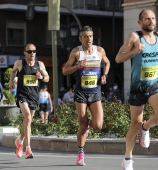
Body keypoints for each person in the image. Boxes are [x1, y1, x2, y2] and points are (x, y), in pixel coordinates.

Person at [115, 9, 158, 170]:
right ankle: (127, 158)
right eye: (147, 19)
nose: (151, 21)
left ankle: (146, 128)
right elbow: (118, 58)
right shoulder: (135, 37)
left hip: (154, 85)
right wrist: (135, 50)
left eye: (153, 18)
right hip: (138, 87)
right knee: (135, 124)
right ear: (140, 22)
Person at [62, 26, 110, 166]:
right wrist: (77, 66)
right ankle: (81, 153)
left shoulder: (99, 51)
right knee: (82, 124)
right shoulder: (76, 52)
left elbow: (107, 63)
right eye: (85, 36)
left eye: (90, 36)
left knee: (98, 126)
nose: (88, 39)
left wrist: (104, 75)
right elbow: (65, 71)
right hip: (81, 93)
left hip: (95, 92)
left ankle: (88, 127)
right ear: (80, 38)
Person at [9, 43, 49, 159]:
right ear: (25, 53)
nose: (32, 53)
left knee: (28, 121)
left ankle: (20, 141)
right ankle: (28, 149)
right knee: (28, 117)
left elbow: (47, 77)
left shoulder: (40, 64)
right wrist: (11, 82)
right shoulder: (19, 63)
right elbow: (13, 72)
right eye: (30, 51)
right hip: (22, 95)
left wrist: (41, 77)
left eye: (34, 51)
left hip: (34, 96)